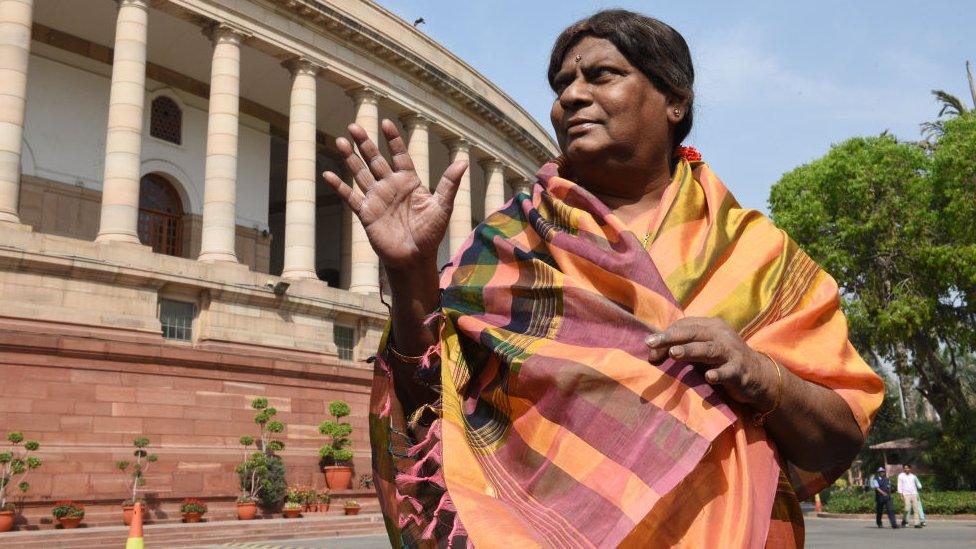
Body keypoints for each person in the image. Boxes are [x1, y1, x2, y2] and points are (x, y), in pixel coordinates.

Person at [324, 9, 884, 548]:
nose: (570, 95)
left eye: (602, 75)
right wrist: (410, 272)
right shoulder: (507, 246)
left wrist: (762, 375)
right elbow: (429, 408)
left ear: (675, 101)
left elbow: (841, 433)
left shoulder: (757, 255)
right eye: (562, 83)